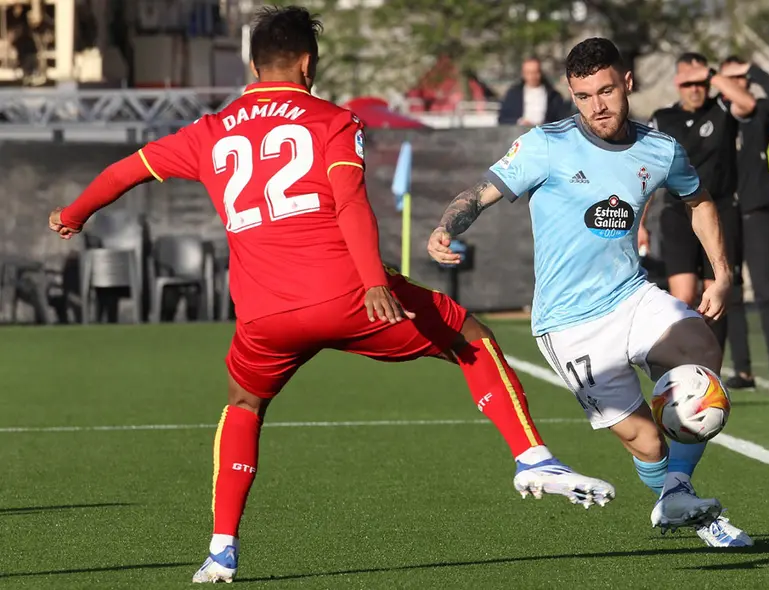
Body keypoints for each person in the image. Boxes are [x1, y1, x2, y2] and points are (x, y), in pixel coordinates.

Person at [47, 7, 614, 583]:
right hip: (349, 297)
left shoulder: (210, 131)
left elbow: (126, 170)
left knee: (244, 406)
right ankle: (531, 457)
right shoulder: (331, 121)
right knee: (470, 338)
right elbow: (348, 203)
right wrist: (373, 281)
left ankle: (221, 549)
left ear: (251, 64)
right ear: (307, 62)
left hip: (264, 317)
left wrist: (73, 214)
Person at [429, 38, 753, 548]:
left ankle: (677, 493)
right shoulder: (546, 144)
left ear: (627, 82)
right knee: (646, 440)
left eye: (605, 90)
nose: (597, 106)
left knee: (700, 351)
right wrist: (447, 227)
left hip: (630, 295)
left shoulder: (659, 148)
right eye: (583, 96)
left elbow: (700, 201)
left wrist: (723, 272)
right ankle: (668, 490)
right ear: (571, 95)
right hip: (568, 323)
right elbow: (479, 193)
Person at [643, 53, 756, 351]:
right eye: (688, 83)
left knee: (716, 292)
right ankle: (683, 360)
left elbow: (748, 104)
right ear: (677, 84)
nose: (695, 89)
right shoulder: (663, 118)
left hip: (719, 211)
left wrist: (713, 75)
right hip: (678, 213)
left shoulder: (721, 108)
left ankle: (710, 362)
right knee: (682, 296)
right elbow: (648, 173)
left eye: (700, 82)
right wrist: (639, 224)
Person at [716, 56, 769, 394]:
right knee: (731, 292)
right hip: (727, 215)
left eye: (742, 79)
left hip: (758, 212)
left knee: (767, 291)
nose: (739, 85)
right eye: (731, 79)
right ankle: (742, 369)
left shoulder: (759, 115)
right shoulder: (716, 117)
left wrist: (751, 70)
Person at [497, 57, 567, 126]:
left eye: (535, 72)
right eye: (528, 73)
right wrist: (519, 122)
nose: (532, 76)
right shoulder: (513, 94)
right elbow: (502, 119)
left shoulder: (553, 96)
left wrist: (545, 125)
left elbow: (561, 119)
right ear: (523, 74)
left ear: (540, 73)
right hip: (520, 134)